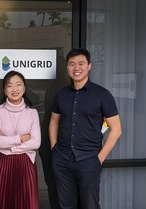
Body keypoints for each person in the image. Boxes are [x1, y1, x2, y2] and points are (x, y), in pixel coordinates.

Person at [49, 48, 122, 209]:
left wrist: (99, 159)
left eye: (81, 63)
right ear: (67, 67)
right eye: (72, 64)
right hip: (62, 159)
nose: (76, 68)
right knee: (66, 205)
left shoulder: (102, 95)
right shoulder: (61, 95)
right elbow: (54, 121)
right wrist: (54, 149)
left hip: (89, 160)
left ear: (89, 66)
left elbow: (116, 129)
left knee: (90, 205)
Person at [0, 71, 41, 209]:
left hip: (25, 163)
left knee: (25, 202)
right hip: (3, 163)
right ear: (4, 90)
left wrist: (9, 145)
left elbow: (36, 142)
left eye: (18, 85)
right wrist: (21, 139)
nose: (14, 89)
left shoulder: (32, 112)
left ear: (24, 88)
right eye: (10, 85)